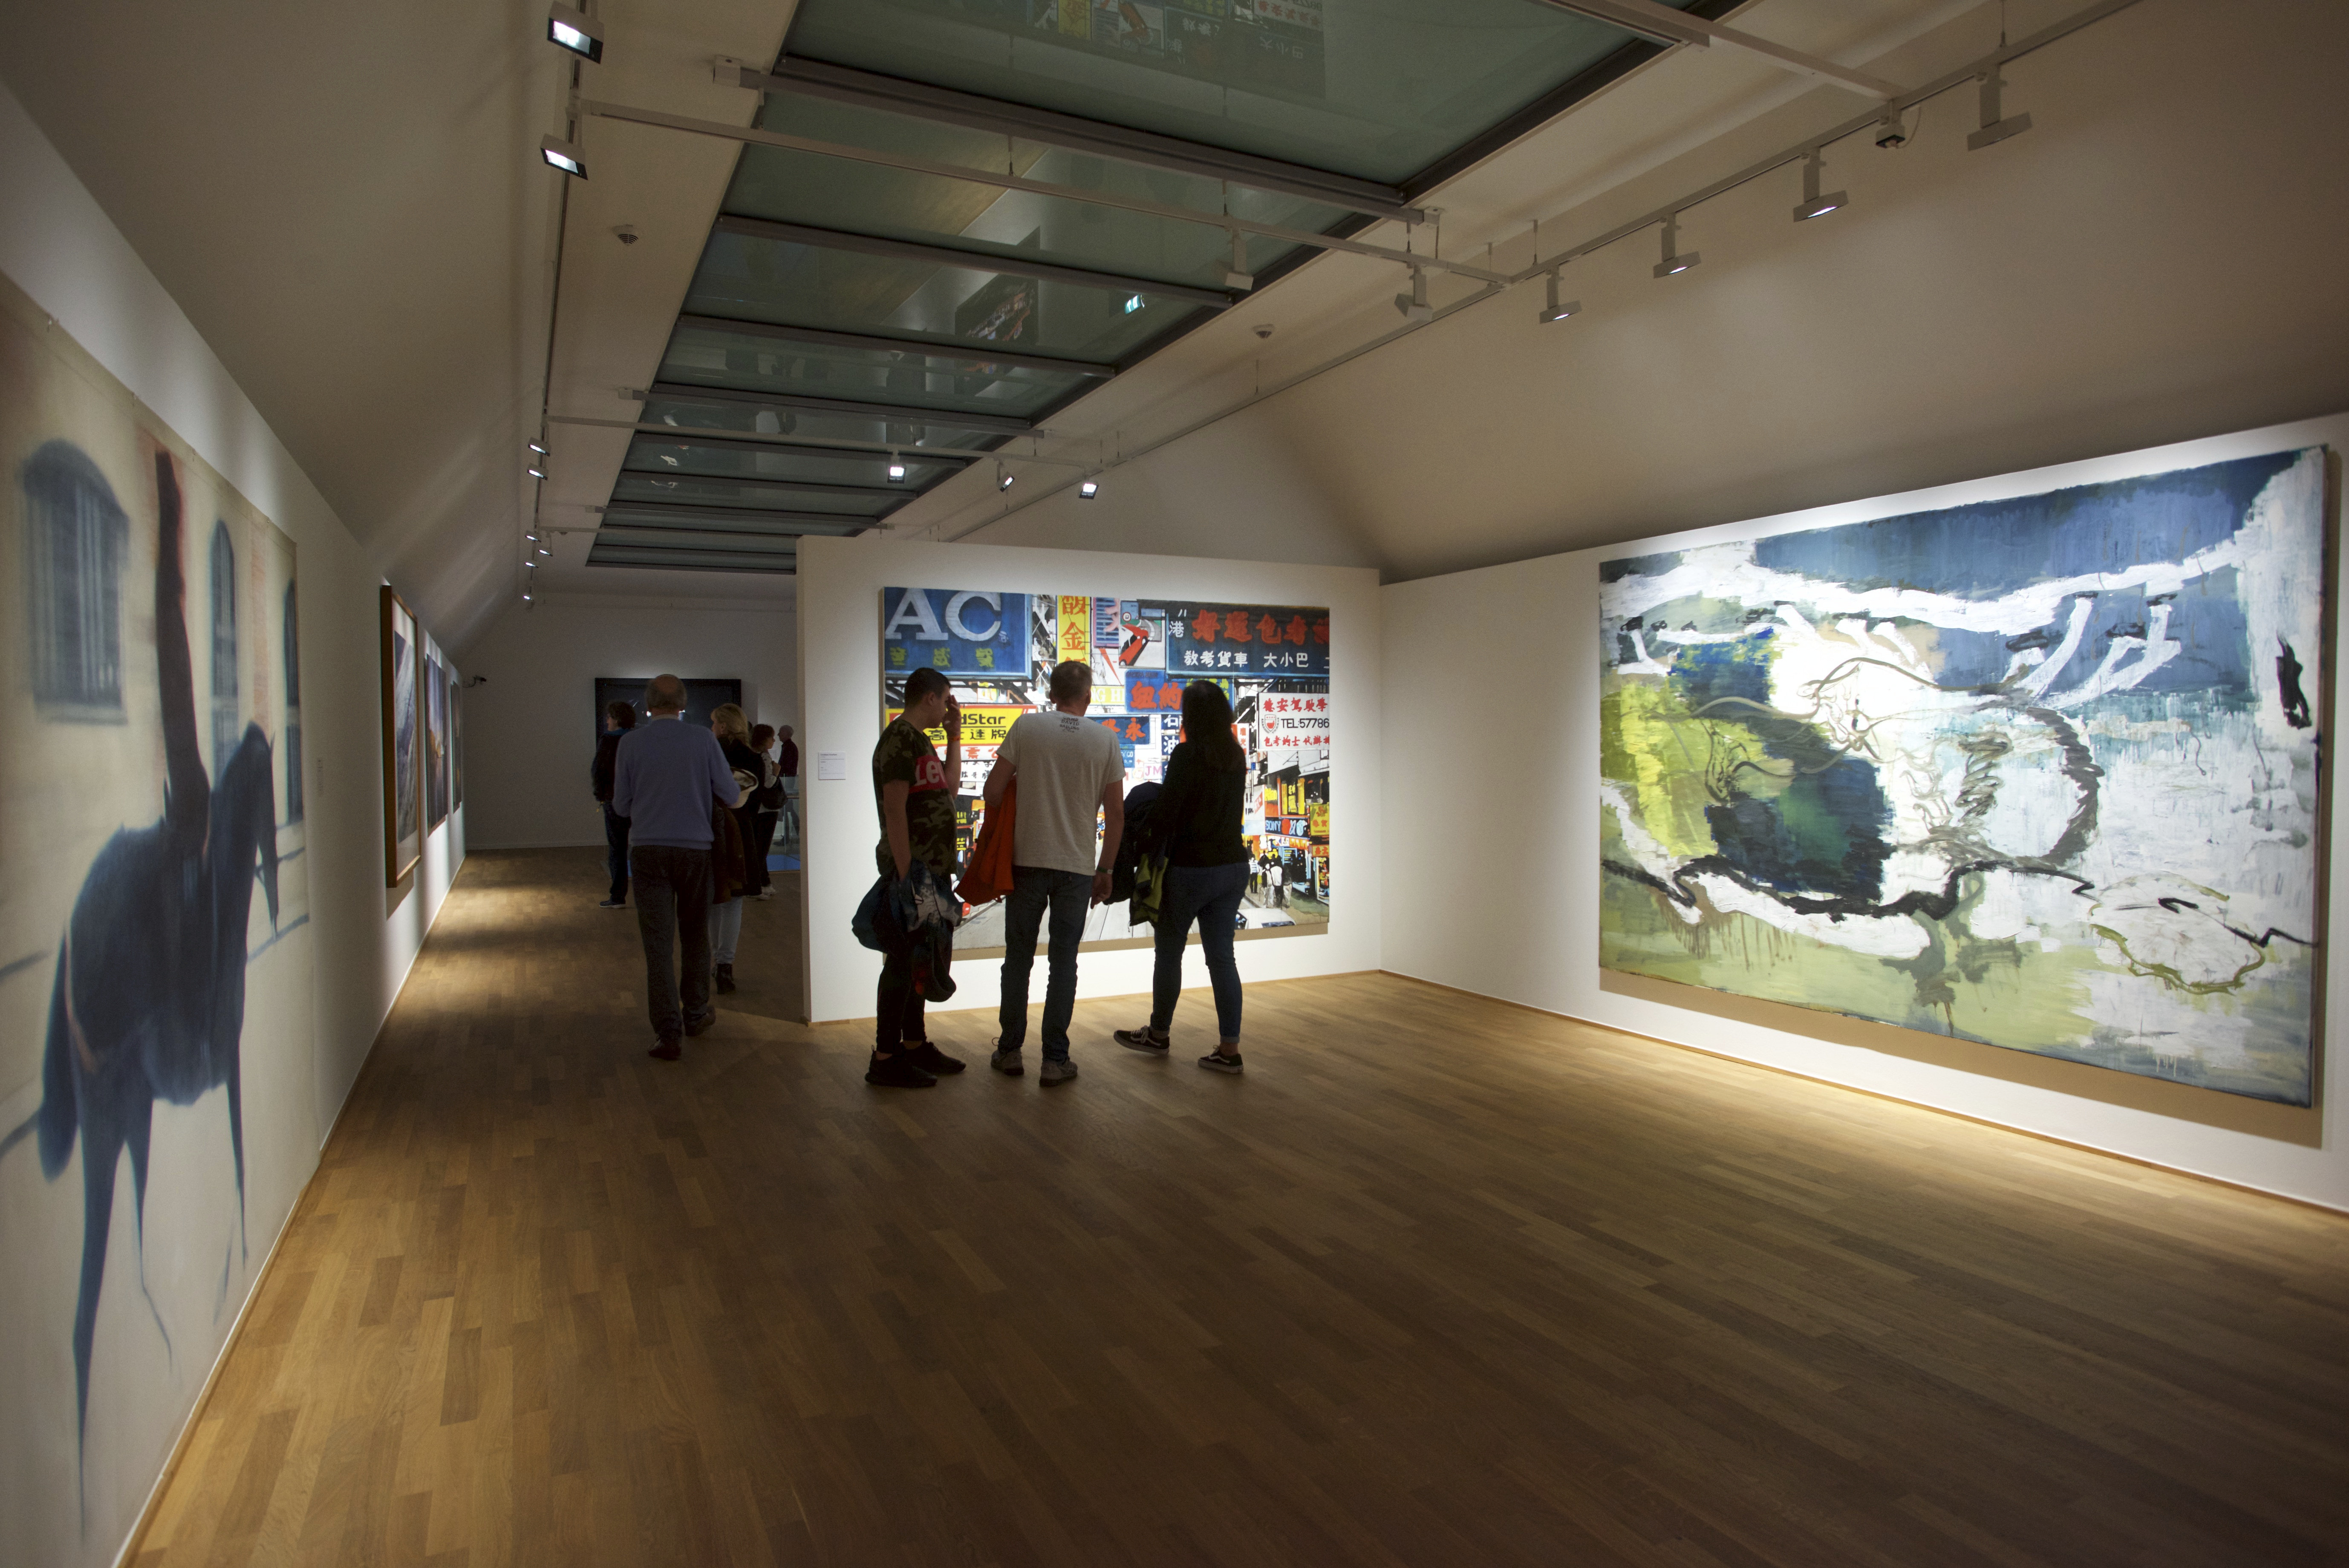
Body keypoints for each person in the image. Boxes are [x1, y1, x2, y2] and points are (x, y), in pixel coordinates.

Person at [982, 660, 1125, 1086]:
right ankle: (1054, 1060)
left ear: (1051, 693)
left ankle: (1009, 1051)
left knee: (1018, 959)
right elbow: (1115, 815)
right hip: (1077, 869)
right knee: (1064, 963)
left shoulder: (1026, 729)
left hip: (1026, 862)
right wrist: (1106, 869)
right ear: (1087, 696)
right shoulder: (1105, 740)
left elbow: (991, 792)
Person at [1115, 681, 1251, 1073]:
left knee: (1170, 952)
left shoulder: (1187, 755)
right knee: (1222, 959)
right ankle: (1229, 1050)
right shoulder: (1236, 756)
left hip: (1191, 868)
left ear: (1192, 716)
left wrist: (1142, 829)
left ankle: (1158, 1034)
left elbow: (1167, 814)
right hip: (1232, 867)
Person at [612, 673, 744, 1061]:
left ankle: (668, 1032)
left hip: (648, 851)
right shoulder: (703, 739)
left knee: (657, 945)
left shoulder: (631, 743)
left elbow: (621, 806)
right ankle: (697, 1012)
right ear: (683, 704)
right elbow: (730, 793)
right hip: (695, 852)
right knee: (694, 936)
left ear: (648, 705)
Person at [869, 667, 966, 1088]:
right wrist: (907, 875)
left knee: (920, 960)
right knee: (902, 960)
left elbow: (950, 785)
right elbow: (894, 810)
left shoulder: (923, 740)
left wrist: (955, 737)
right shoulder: (898, 740)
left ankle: (914, 1044)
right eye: (945, 699)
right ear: (929, 697)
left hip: (932, 871)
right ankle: (885, 1055)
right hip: (913, 872)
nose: (947, 707)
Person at [707, 703, 765, 995]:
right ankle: (725, 965)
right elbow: (758, 799)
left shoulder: (712, 753)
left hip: (714, 831)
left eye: (714, 722)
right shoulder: (754, 757)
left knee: (714, 897)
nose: (712, 727)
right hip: (741, 832)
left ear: (723, 726)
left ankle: (716, 962)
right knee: (734, 901)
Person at [591, 700, 636, 908]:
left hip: (614, 800)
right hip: (640, 801)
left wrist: (600, 795)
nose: (607, 721)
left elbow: (599, 770)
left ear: (616, 719)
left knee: (618, 848)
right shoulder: (637, 739)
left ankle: (618, 897)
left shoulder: (608, 741)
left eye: (609, 717)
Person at [748, 723, 783, 900]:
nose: (774, 740)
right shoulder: (765, 757)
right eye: (771, 737)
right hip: (767, 808)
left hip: (755, 808)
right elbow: (769, 783)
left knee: (758, 849)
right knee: (762, 850)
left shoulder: (751, 755)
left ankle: (765, 883)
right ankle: (759, 885)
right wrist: (776, 772)